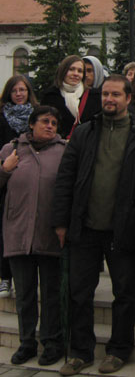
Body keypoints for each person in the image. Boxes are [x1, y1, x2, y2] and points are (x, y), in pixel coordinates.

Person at [52, 75, 135, 375]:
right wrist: (61, 221)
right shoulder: (85, 133)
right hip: (85, 228)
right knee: (79, 293)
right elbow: (65, 180)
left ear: (128, 99)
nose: (109, 99)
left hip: (123, 229)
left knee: (124, 294)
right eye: (105, 95)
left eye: (115, 95)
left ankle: (119, 349)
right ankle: (80, 351)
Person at [0, 106, 67, 366]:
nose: (50, 126)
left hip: (50, 234)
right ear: (31, 124)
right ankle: (26, 342)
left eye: (54, 122)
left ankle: (52, 342)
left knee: (51, 294)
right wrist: (5, 169)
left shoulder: (63, 151)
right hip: (18, 233)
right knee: (25, 294)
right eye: (44, 122)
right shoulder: (12, 149)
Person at [0, 75, 39, 298]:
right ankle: (5, 277)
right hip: (6, 178)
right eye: (14, 90)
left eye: (22, 90)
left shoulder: (36, 115)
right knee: (5, 230)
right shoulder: (2, 116)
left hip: (30, 180)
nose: (18, 94)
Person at [41, 55, 101, 139]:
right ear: (63, 71)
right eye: (71, 69)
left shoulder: (94, 96)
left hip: (86, 146)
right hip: (58, 146)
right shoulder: (50, 96)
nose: (76, 74)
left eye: (80, 71)